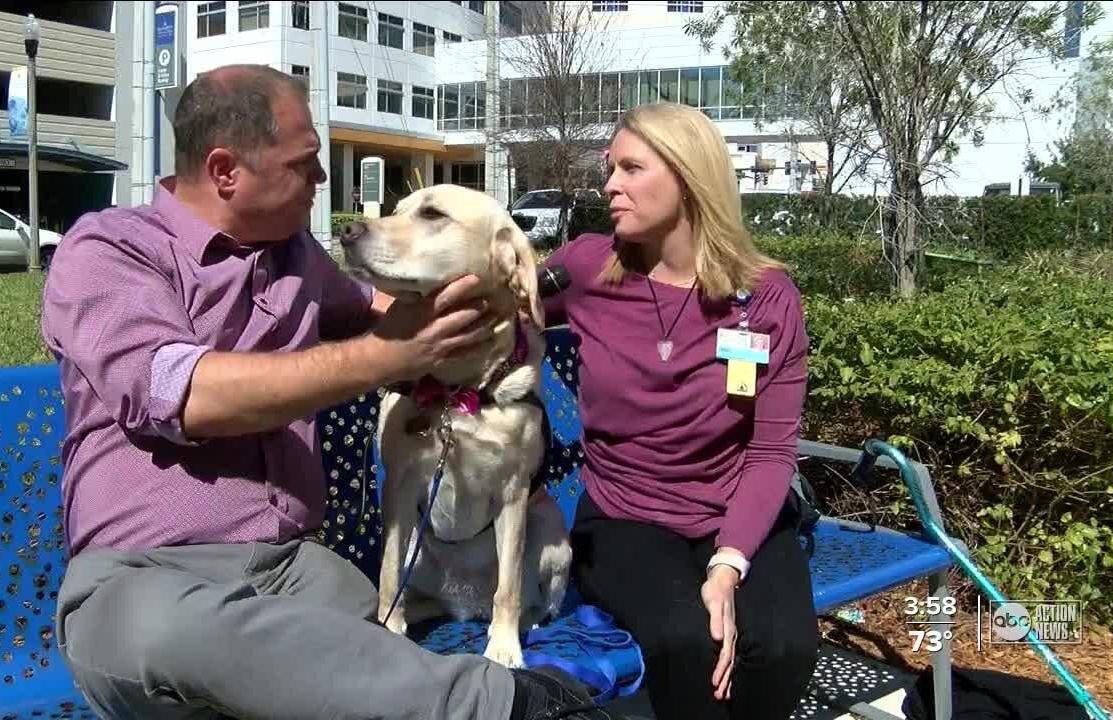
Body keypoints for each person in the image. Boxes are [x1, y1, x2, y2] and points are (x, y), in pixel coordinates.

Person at [40, 64, 622, 720]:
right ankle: (511, 705)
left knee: (343, 640)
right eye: (306, 162)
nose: (322, 181)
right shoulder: (108, 249)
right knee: (169, 636)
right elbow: (183, 391)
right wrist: (383, 357)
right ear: (226, 170)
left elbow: (383, 315)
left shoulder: (297, 259)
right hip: (145, 578)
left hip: (294, 571)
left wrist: (495, 308)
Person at [540, 102, 820, 720]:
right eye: (611, 168)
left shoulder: (767, 298)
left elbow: (772, 451)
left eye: (631, 169)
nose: (609, 184)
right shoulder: (585, 267)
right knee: (686, 639)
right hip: (624, 516)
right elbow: (503, 311)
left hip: (734, 511)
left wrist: (728, 567)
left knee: (783, 646)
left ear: (689, 176)